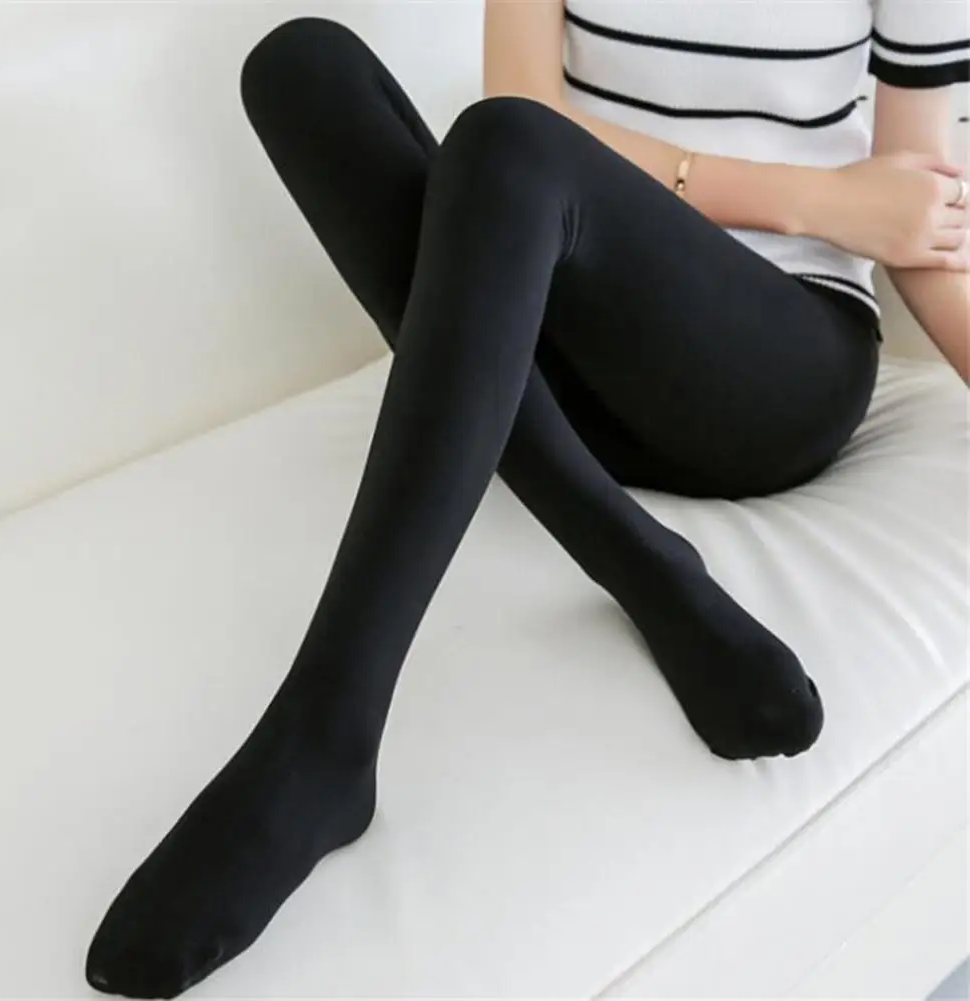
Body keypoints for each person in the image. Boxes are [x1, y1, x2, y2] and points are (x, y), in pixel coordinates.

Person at [85, 2, 969, 995]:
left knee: (507, 144)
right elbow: (526, 110)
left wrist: (836, 217)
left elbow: (916, 222)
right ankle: (636, 556)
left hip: (772, 369)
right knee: (301, 67)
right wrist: (811, 198)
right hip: (565, 343)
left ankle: (324, 729)